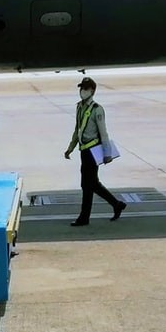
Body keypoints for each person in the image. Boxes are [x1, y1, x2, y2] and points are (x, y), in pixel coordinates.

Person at [64, 76, 125, 226]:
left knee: (87, 185)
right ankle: (117, 205)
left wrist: (107, 153)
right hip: (84, 151)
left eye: (85, 89)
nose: (82, 91)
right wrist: (70, 148)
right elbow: (77, 130)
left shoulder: (97, 109)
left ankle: (84, 218)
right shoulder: (79, 107)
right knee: (92, 184)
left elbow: (103, 133)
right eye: (81, 89)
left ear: (92, 91)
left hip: (93, 150)